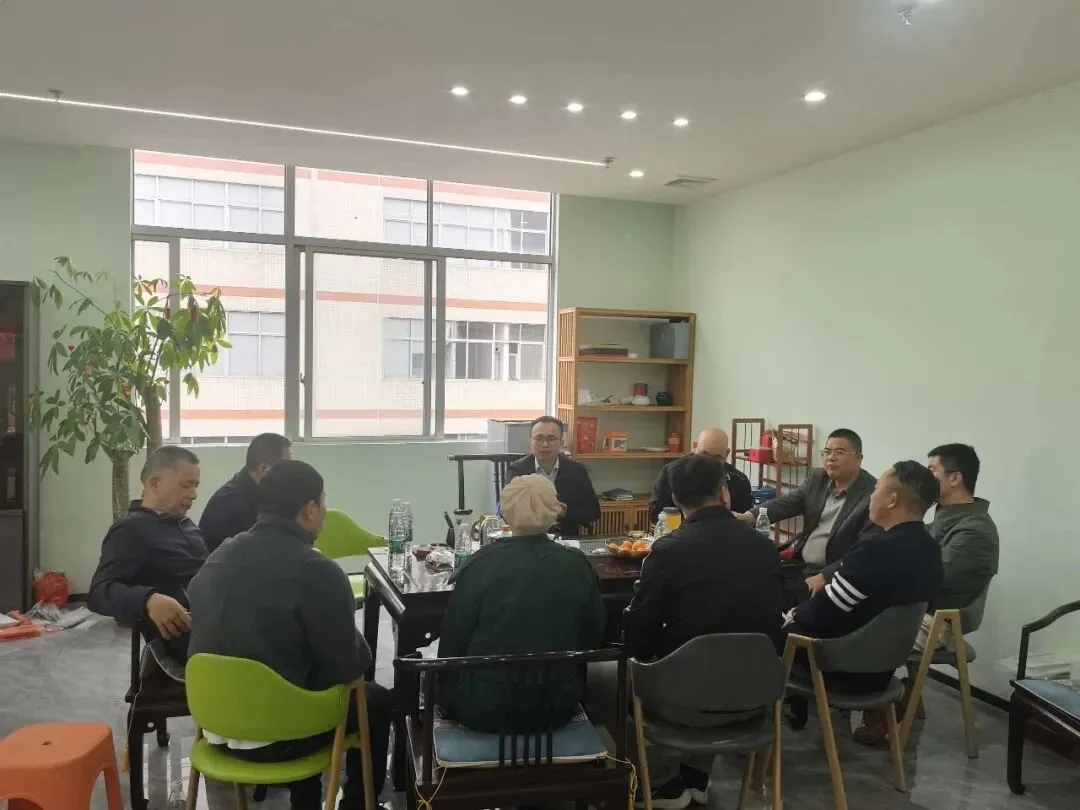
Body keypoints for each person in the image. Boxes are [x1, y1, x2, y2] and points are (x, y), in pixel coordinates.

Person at [187, 460, 391, 810]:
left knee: (296, 678)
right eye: (323, 503)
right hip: (282, 735)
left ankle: (305, 800)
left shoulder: (220, 554)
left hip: (213, 726)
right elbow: (348, 666)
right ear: (310, 509)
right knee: (374, 699)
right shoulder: (316, 570)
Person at [604, 454, 785, 809]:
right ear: (724, 493)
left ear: (675, 500)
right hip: (756, 696)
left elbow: (638, 636)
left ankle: (660, 781)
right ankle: (696, 775)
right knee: (716, 645)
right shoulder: (764, 546)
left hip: (684, 700)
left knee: (609, 674)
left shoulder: (668, 550)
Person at [853, 443, 999, 745]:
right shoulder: (943, 520)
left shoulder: (975, 530)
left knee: (856, 625)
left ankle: (885, 702)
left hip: (940, 621)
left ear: (955, 478)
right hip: (917, 609)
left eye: (932, 470)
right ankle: (892, 697)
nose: (925, 475)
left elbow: (932, 581)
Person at [782, 461, 943, 729]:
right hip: (883, 669)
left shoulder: (875, 552)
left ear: (892, 500)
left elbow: (821, 614)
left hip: (840, 669)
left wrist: (791, 615)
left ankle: (751, 719)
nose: (871, 496)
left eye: (877, 488)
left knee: (763, 629)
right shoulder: (930, 549)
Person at [439, 473, 605, 733]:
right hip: (557, 705)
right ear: (555, 511)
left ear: (505, 513)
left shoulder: (481, 564)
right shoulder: (578, 564)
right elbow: (592, 638)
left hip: (482, 706)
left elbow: (452, 643)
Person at [88, 446, 206, 674]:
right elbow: (98, 593)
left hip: (217, 623)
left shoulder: (186, 525)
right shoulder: (131, 530)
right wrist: (148, 599)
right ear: (155, 483)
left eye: (195, 486)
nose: (193, 495)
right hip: (192, 644)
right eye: (186, 485)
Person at [736, 428, 880, 595]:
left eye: (840, 452)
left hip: (837, 577)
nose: (831, 458)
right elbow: (787, 503)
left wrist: (826, 576)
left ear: (858, 458)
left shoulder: (873, 495)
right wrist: (749, 516)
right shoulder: (818, 478)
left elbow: (865, 551)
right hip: (802, 565)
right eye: (827, 452)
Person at [505, 416, 601, 535]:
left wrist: (565, 513)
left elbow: (593, 512)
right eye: (539, 438)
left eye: (551, 439)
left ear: (561, 443)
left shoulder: (577, 471)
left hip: (566, 537)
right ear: (531, 443)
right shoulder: (518, 470)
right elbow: (507, 510)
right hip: (528, 537)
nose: (545, 444)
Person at [199, 432, 291, 553]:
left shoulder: (254, 489)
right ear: (264, 468)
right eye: (286, 466)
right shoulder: (232, 503)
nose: (290, 471)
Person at [648, 426, 753, 523]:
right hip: (681, 533)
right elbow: (657, 513)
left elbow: (746, 519)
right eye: (704, 455)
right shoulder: (671, 472)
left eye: (716, 458)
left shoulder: (738, 479)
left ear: (726, 453)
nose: (708, 463)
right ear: (694, 446)